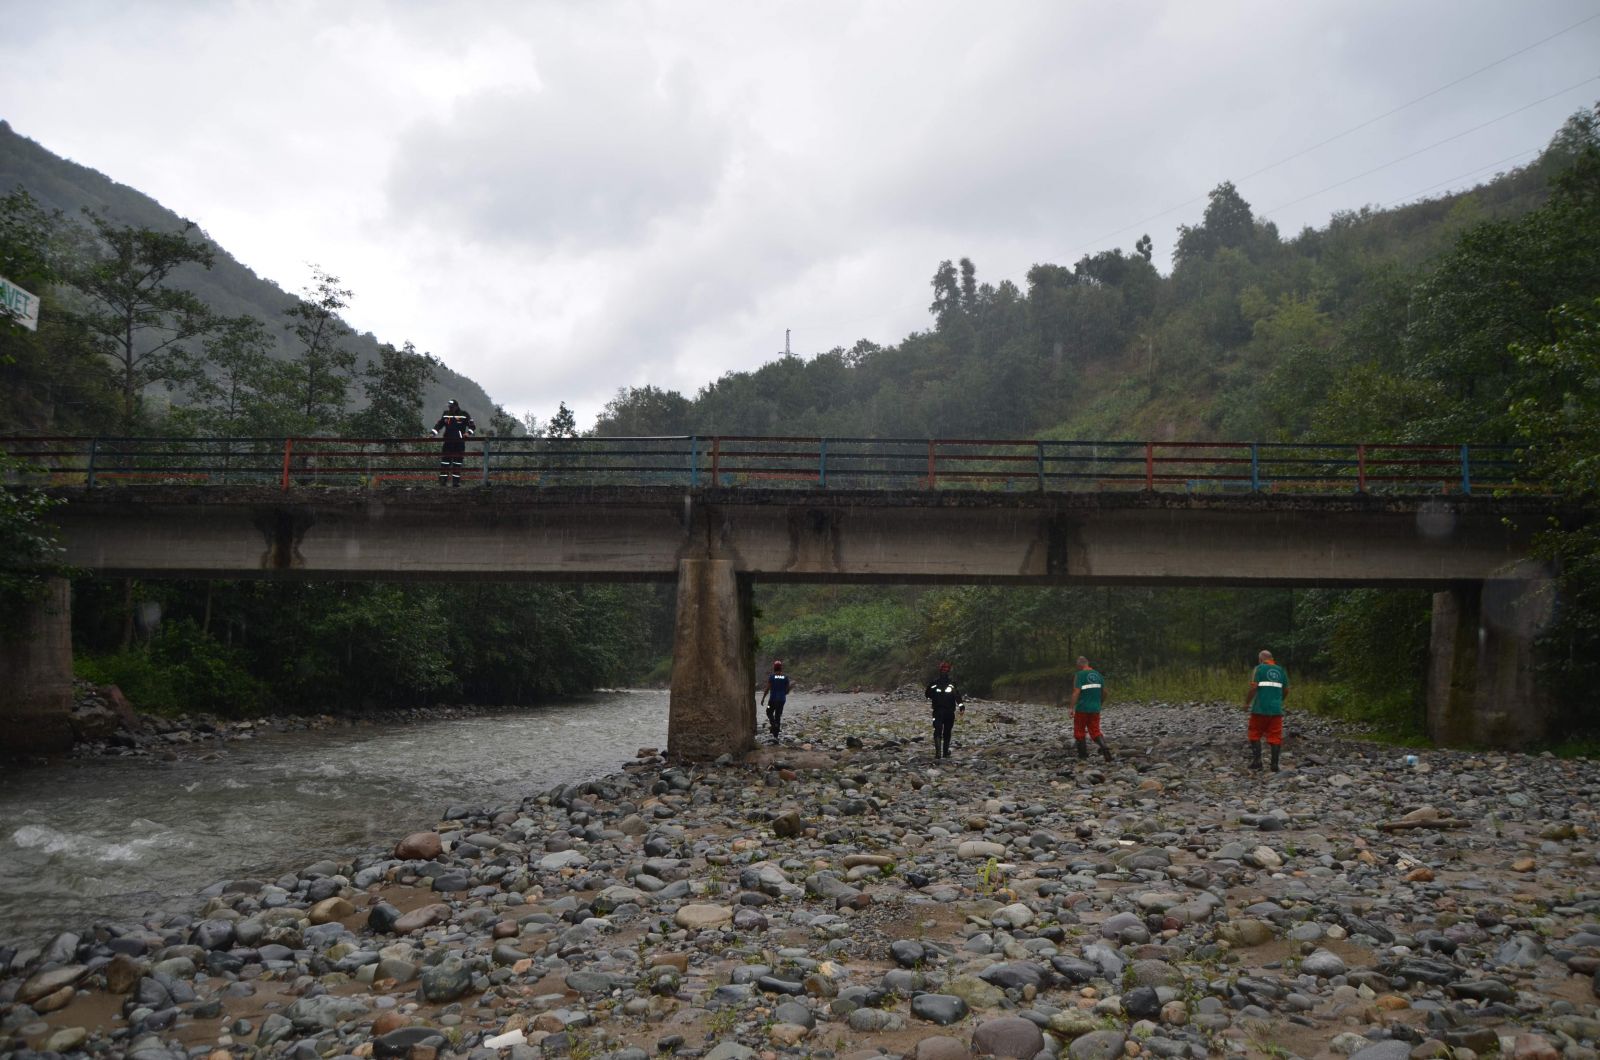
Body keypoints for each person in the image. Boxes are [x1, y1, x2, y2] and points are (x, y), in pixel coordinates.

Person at [1244, 649, 1288, 772]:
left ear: (1260, 659)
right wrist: (1279, 701)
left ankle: (1257, 761)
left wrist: (1247, 703)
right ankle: (1274, 764)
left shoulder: (1258, 669)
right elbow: (1286, 690)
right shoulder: (1281, 670)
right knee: (1275, 736)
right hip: (1276, 710)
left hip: (1260, 708)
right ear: (1271, 658)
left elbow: (1253, 688)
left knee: (1254, 733)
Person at [1068, 656, 1113, 762]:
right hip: (1095, 708)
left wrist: (1071, 708)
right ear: (1087, 663)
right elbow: (1105, 692)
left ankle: (1083, 756)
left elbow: (1076, 692)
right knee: (1095, 731)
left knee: (1079, 731)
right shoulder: (1098, 674)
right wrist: (1100, 703)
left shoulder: (1079, 675)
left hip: (1082, 708)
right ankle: (1104, 748)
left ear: (1079, 665)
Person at [432, 399, 476, 486]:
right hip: (448, 442)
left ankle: (456, 482)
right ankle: (443, 481)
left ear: (456, 406)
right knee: (445, 462)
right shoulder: (446, 414)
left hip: (459, 443)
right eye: (449, 407)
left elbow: (472, 426)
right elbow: (439, 425)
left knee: (457, 463)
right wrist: (432, 433)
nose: (450, 408)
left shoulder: (464, 414)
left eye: (451, 407)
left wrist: (468, 433)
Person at [925, 661, 963, 759]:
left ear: (940, 670)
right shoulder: (951, 683)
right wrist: (961, 706)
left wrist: (934, 697)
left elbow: (927, 694)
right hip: (949, 712)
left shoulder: (934, 683)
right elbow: (957, 695)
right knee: (947, 731)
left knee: (938, 731)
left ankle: (938, 753)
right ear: (948, 671)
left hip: (938, 711)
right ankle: (945, 753)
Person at [760, 659, 791, 742]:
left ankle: (773, 725)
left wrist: (763, 698)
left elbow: (767, 689)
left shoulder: (772, 677)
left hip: (772, 700)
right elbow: (787, 690)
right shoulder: (785, 677)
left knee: (768, 711)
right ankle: (776, 736)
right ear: (781, 668)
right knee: (778, 715)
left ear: (774, 668)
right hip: (782, 701)